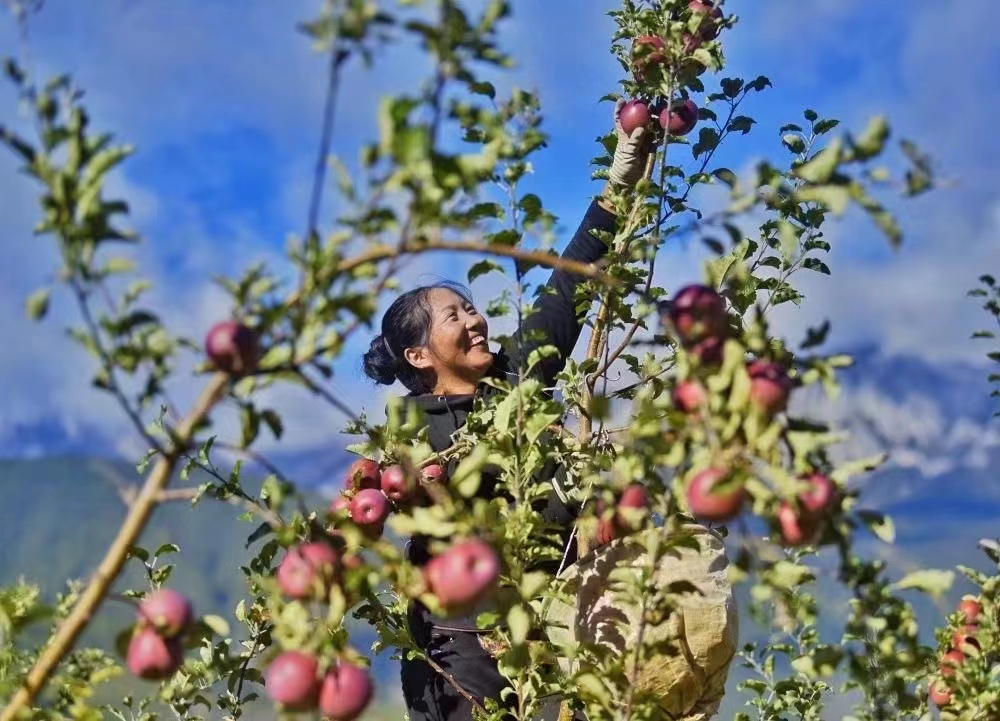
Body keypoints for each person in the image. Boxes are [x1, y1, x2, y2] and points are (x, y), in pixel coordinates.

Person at [360, 101, 652, 721]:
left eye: (471, 309)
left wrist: (625, 169)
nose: (474, 320)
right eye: (453, 316)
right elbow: (413, 501)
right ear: (417, 353)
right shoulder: (411, 424)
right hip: (459, 640)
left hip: (557, 622)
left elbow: (573, 277)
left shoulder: (519, 372)